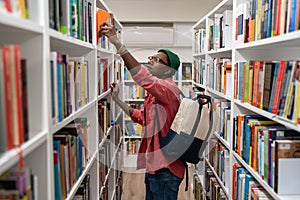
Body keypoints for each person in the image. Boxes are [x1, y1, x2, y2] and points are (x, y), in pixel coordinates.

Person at [99, 14, 185, 200]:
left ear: (168, 70)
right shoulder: (155, 94)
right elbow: (141, 117)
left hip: (166, 170)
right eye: (151, 57)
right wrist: (118, 100)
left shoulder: (169, 89)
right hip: (153, 166)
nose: (151, 61)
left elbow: (142, 77)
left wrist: (117, 43)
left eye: (157, 60)